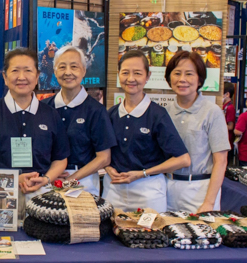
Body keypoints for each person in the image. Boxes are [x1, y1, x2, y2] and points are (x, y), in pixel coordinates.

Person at [0, 47, 70, 209]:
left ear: (37, 76)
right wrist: (12, 179)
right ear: (5, 77)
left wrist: (46, 179)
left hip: (41, 194)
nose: (21, 77)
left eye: (28, 71)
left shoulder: (50, 114)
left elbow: (60, 159)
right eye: (15, 70)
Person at [103, 50, 190, 212]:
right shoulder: (111, 114)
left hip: (148, 191)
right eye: (125, 73)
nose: (131, 79)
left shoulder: (157, 114)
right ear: (118, 75)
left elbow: (183, 159)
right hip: (114, 189)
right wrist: (108, 168)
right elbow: (102, 153)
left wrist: (142, 173)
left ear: (148, 76)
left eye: (137, 73)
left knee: (149, 235)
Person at [41, 46, 115, 196]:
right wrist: (50, 175)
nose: (68, 72)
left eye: (74, 67)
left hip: (83, 181)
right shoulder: (44, 107)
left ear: (84, 71)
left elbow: (104, 158)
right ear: (55, 71)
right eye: (62, 67)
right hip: (47, 178)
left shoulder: (95, 110)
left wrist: (71, 180)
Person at [164, 51, 230, 213]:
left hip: (199, 190)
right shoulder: (165, 112)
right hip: (167, 187)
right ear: (169, 78)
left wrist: (208, 202)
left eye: (189, 74)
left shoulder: (212, 112)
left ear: (200, 79)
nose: (182, 79)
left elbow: (221, 162)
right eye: (177, 73)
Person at [222, 82, 236, 163]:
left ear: (227, 94)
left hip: (228, 142)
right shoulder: (224, 106)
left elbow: (230, 126)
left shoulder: (229, 108)